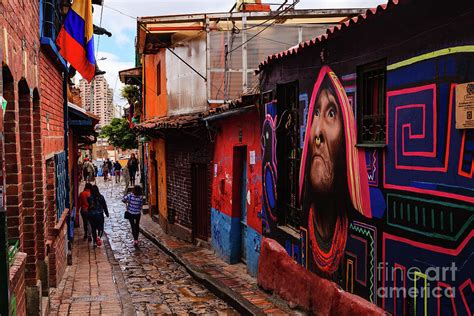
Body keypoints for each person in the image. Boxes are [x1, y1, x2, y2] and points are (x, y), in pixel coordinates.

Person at [299, 66, 371, 278]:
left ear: (346, 139)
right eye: (315, 113)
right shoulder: (301, 216)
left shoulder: (363, 237)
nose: (317, 131)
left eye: (331, 113)